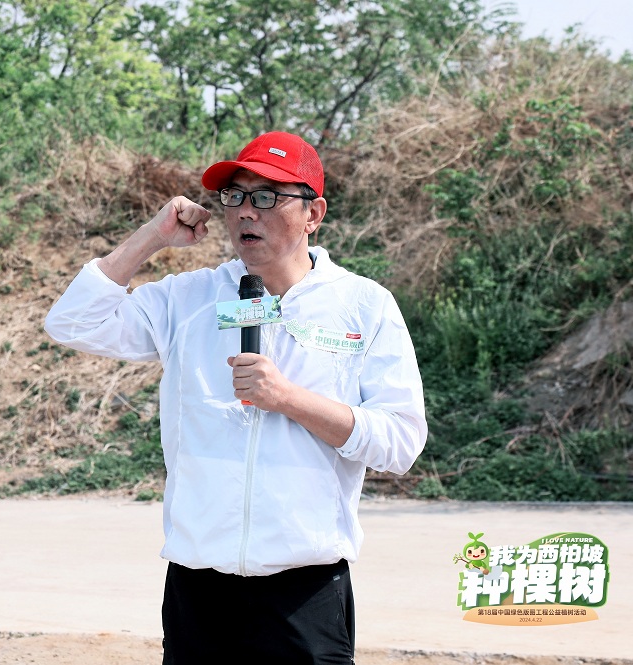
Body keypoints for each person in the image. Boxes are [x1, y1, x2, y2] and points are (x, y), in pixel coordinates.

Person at [44, 131, 427, 664]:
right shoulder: (188, 299)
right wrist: (152, 237)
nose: (246, 211)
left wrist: (290, 399)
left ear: (313, 214)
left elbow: (400, 442)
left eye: (266, 197)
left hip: (305, 596)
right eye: (235, 196)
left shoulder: (364, 306)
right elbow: (71, 322)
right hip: (199, 594)